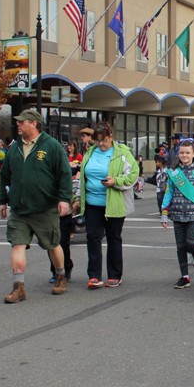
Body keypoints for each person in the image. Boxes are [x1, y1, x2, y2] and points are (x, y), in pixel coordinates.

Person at [0, 109, 73, 303]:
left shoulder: (51, 146)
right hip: (19, 209)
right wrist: (2, 201)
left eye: (22, 122)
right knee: (17, 245)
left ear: (34, 123)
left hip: (45, 207)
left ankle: (61, 275)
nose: (18, 125)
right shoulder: (14, 148)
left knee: (53, 245)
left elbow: (64, 174)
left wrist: (64, 199)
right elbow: (5, 175)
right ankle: (18, 287)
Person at [75, 121, 140, 289]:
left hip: (114, 203)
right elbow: (83, 178)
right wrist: (77, 199)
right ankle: (94, 276)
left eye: (104, 140)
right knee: (93, 238)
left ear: (111, 137)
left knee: (113, 238)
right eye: (98, 141)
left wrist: (115, 181)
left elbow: (134, 174)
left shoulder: (122, 153)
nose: (101, 144)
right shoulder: (90, 153)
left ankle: (115, 275)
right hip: (92, 203)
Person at [160, 140, 194, 289]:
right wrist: (164, 213)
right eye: (181, 152)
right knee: (180, 246)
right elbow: (168, 193)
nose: (184, 155)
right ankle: (184, 276)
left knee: (192, 244)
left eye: (187, 152)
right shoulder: (173, 173)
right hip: (177, 213)